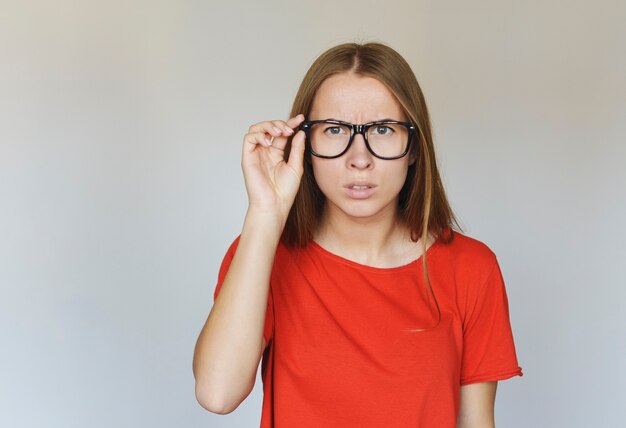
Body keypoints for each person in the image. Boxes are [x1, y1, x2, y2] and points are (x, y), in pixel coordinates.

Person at [193, 42, 523, 427]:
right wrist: (266, 213)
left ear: (414, 147)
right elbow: (217, 393)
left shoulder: (471, 268)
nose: (359, 158)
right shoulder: (263, 252)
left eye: (383, 129)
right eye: (335, 130)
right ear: (304, 145)